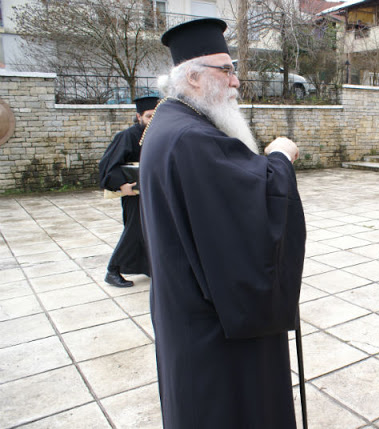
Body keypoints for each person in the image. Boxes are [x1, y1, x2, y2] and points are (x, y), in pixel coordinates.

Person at [138, 18, 306, 429]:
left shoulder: (170, 123)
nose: (236, 81)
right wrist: (280, 160)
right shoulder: (191, 138)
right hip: (215, 332)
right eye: (226, 70)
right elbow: (246, 223)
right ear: (193, 78)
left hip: (187, 315)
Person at [99, 95, 158, 287]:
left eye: (156, 116)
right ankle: (112, 270)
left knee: (150, 231)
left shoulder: (158, 134)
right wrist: (122, 185)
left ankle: (149, 268)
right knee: (134, 231)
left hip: (153, 192)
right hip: (134, 194)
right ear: (138, 116)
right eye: (149, 116)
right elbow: (108, 166)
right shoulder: (127, 136)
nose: (152, 120)